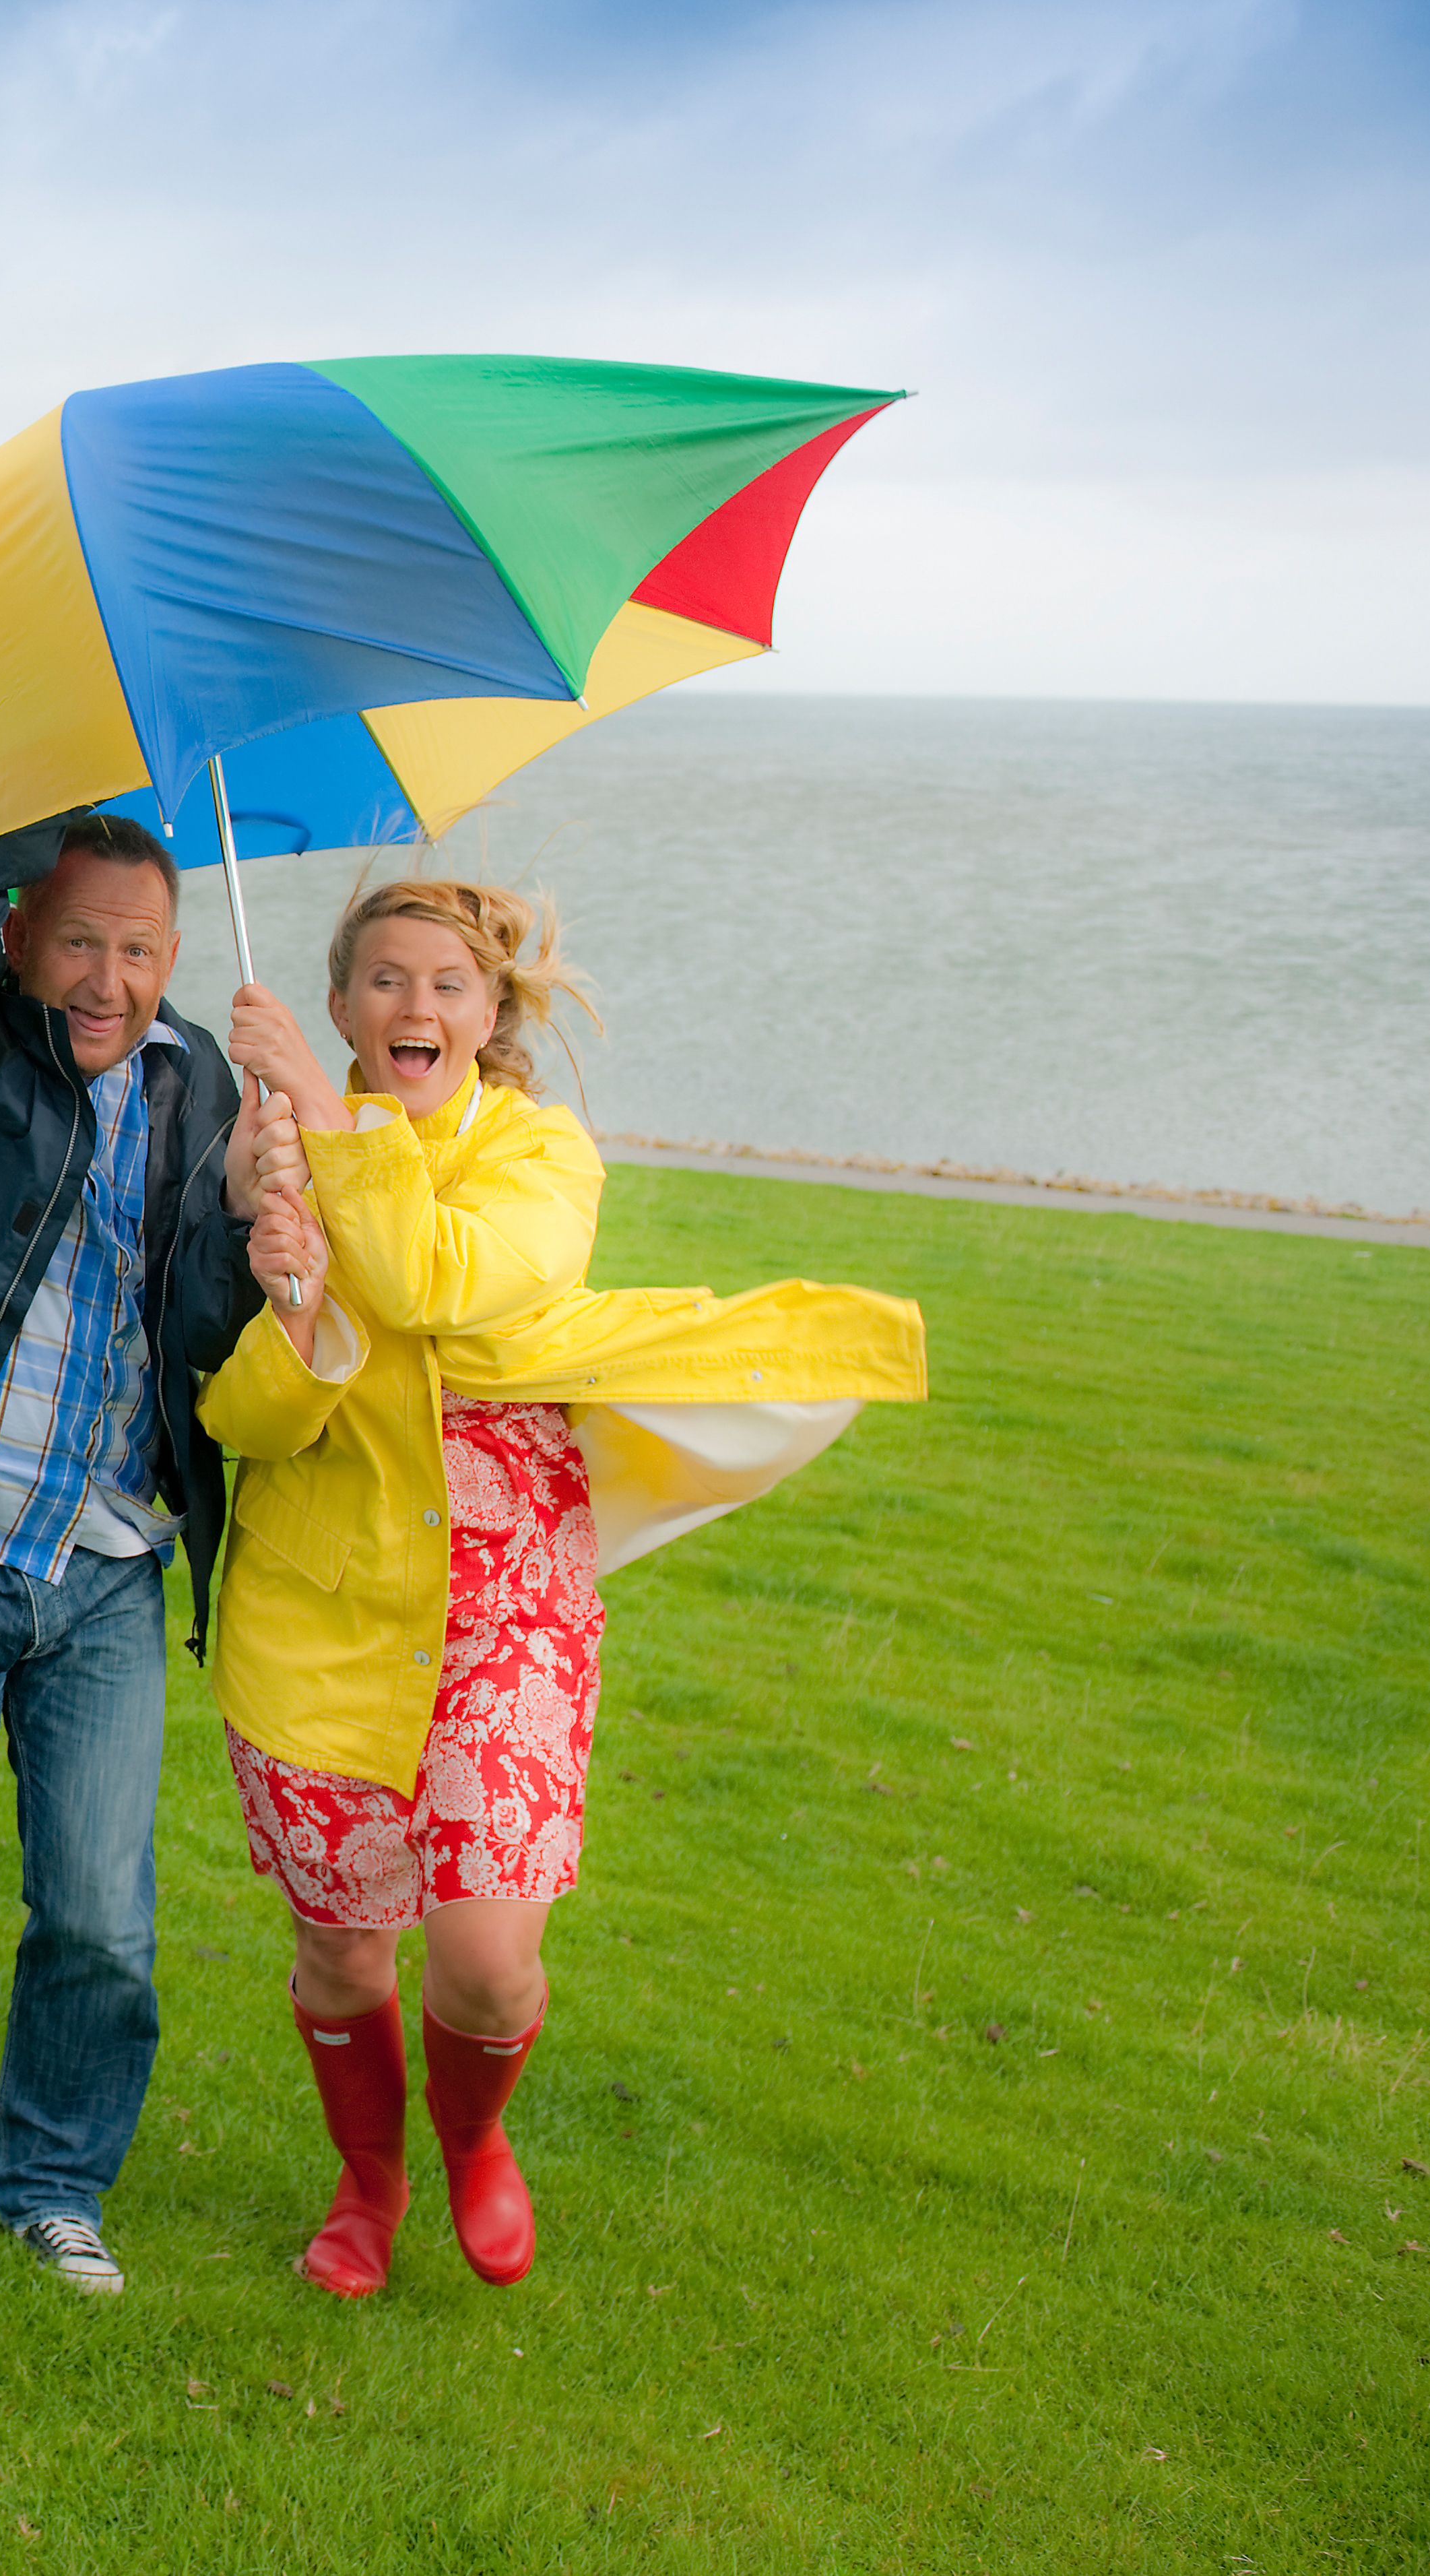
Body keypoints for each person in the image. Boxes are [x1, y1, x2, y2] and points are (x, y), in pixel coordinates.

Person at [206, 878, 926, 2296]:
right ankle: (369, 2178)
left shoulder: (542, 1155)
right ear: (340, 1000)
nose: (415, 1007)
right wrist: (286, 1291)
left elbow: (433, 1281)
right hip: (318, 1600)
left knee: (482, 1963)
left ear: (489, 1013)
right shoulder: (268, 1150)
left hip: (505, 1595)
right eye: (384, 981)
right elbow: (245, 1424)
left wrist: (328, 1131)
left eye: (446, 985)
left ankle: (474, 2138)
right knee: (343, 1951)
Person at [0, 810, 294, 2294]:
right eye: (77, 939)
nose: (109, 978)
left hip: (102, 1568)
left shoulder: (198, 1084)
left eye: (141, 948)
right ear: (17, 939)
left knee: (99, 1915)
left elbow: (200, 1341)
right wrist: (46, 758)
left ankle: (53, 2181)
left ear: (175, 960)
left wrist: (241, 1214)